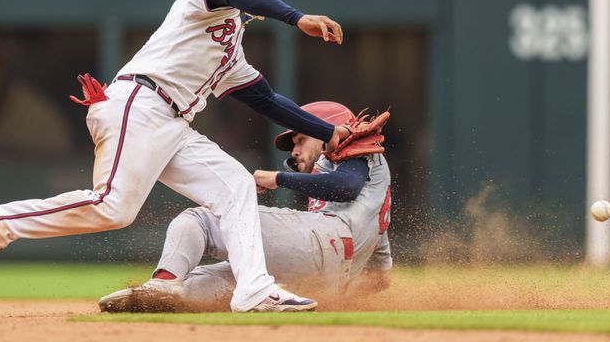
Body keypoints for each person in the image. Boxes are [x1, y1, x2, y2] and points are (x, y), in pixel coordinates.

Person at [0, 0, 358, 313]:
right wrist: (297, 17)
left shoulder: (229, 45)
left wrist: (330, 133)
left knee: (235, 186)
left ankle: (254, 289)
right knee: (113, 208)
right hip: (140, 103)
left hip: (170, 121)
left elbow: (266, 99)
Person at [97, 101, 393, 313]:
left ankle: (163, 281)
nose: (294, 149)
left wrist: (279, 178)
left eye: (301, 139)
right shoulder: (371, 193)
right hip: (322, 277)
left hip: (321, 241)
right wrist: (340, 294)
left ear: (328, 130)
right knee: (214, 282)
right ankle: (158, 298)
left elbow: (345, 187)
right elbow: (379, 276)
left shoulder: (357, 151)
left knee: (201, 219)